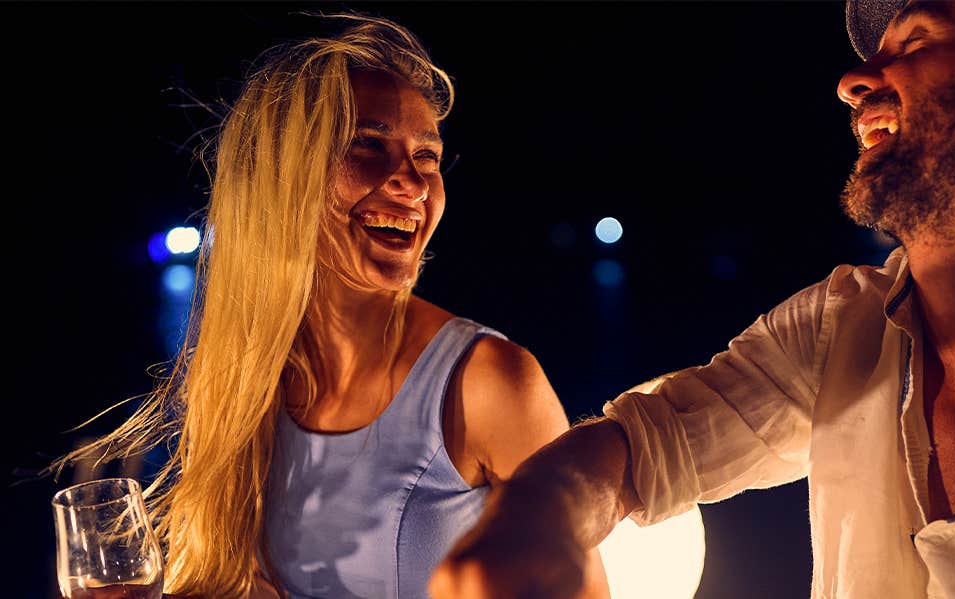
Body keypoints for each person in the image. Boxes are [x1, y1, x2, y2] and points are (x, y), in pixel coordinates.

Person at [430, 1, 955, 598]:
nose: (855, 78)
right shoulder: (841, 329)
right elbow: (645, 449)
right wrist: (534, 516)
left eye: (917, 40)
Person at [54, 15, 607, 599]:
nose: (414, 184)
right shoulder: (244, 380)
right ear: (282, 176)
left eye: (427, 156)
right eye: (368, 144)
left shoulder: (491, 383)